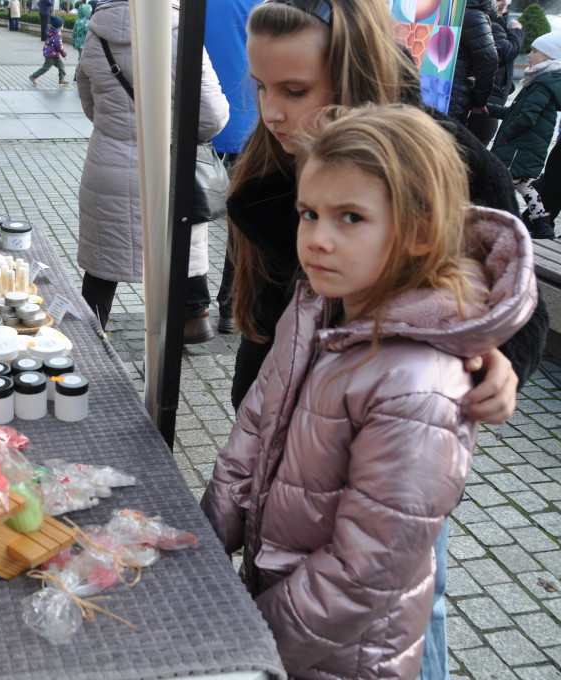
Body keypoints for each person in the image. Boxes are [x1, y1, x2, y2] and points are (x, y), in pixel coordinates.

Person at [218, 2, 549, 678]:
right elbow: (267, 312)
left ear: (352, 70)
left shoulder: (439, 156)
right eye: (260, 87)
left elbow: (507, 293)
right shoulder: (269, 162)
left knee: (404, 609)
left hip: (390, 444)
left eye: (295, 90)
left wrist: (499, 363)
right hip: (291, 434)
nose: (271, 111)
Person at [75, 0, 229, 339]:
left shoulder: (95, 34)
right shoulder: (180, 33)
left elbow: (90, 103)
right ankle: (190, 320)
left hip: (108, 166)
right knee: (179, 251)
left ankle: (87, 339)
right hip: (169, 170)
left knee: (103, 261)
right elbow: (212, 118)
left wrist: (119, 131)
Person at [204, 0, 261, 336]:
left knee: (187, 219)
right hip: (247, 125)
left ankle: (188, 309)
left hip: (199, 125)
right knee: (239, 226)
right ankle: (230, 307)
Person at [488, 32, 561, 240]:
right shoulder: (542, 81)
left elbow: (526, 118)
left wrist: (505, 138)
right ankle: (542, 225)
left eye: (534, 51)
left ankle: (504, 226)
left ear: (548, 57)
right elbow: (514, 112)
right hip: (526, 148)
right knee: (525, 186)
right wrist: (489, 109)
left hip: (519, 148)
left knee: (503, 186)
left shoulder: (541, 84)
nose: (529, 55)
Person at [467, 0, 523, 145]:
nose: (504, 2)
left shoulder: (497, 22)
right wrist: (516, 32)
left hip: (490, 96)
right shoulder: (491, 23)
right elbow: (503, 54)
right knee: (476, 149)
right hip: (487, 98)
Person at [447, 0, 497, 127]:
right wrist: (479, 102)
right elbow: (488, 59)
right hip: (451, 97)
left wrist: (478, 100)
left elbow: (487, 59)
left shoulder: (465, 12)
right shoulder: (471, 14)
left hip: (448, 94)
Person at [29, 14, 67, 85]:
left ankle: (61, 79)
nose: (63, 25)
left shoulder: (52, 31)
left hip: (54, 54)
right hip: (51, 54)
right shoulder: (56, 34)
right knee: (45, 68)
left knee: (61, 65)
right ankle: (33, 76)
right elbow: (59, 45)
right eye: (62, 24)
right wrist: (64, 54)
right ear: (58, 25)